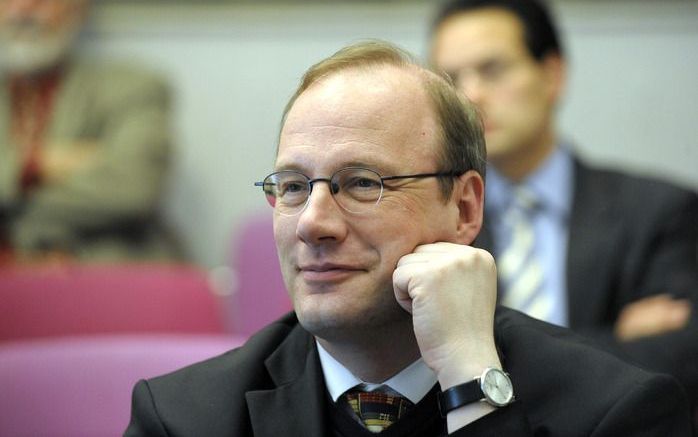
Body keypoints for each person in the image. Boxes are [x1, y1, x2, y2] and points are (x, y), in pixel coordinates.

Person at [125, 41, 691, 436]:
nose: (312, 222)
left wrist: (470, 380)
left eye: (362, 182)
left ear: (465, 206)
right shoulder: (184, 417)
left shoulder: (614, 412)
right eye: (294, 186)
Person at [430, 0, 698, 405]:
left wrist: (486, 358)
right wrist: (612, 340)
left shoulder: (659, 210)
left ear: (552, 74)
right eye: (450, 79)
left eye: (493, 70)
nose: (470, 95)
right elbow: (418, 367)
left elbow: (678, 361)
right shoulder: (434, 222)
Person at [0, 0, 180, 262]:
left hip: (103, 276)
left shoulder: (132, 88)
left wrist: (9, 206)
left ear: (79, 8)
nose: (25, 8)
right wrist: (35, 164)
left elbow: (132, 189)